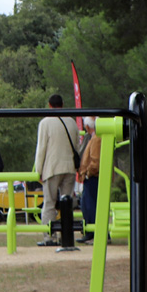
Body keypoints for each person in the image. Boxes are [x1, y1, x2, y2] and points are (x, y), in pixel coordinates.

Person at [34, 94, 81, 246]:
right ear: (62, 104)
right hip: (69, 167)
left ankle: (49, 236)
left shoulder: (45, 123)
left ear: (49, 105)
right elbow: (77, 146)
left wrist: (38, 170)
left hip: (52, 167)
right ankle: (66, 236)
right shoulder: (72, 122)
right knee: (67, 204)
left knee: (49, 203)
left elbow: (41, 149)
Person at [77, 117, 101, 244]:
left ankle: (93, 232)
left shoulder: (95, 139)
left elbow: (95, 161)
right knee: (91, 204)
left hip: (93, 177)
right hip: (94, 177)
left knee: (90, 206)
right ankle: (93, 232)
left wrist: (87, 173)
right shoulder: (96, 138)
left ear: (87, 127)